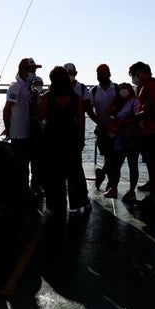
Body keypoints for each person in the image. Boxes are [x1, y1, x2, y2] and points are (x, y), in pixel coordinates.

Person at [36, 65, 90, 216]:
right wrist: (81, 139)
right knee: (75, 172)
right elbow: (80, 121)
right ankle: (80, 201)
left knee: (53, 173)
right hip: (71, 137)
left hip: (52, 137)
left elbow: (40, 116)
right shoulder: (75, 98)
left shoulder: (48, 97)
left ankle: (55, 205)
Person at [128, 60, 155, 208]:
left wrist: (137, 116)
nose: (133, 78)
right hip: (148, 130)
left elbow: (154, 107)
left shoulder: (152, 85)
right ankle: (154, 186)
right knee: (151, 161)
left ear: (140, 72)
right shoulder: (145, 86)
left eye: (133, 74)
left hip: (154, 131)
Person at [2, 57, 42, 196]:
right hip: (19, 135)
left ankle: (27, 191)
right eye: (32, 70)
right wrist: (7, 128)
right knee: (21, 167)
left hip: (27, 134)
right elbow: (7, 109)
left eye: (35, 70)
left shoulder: (26, 87)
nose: (34, 73)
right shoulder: (15, 86)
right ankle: (21, 193)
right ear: (23, 70)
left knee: (28, 165)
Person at [104, 81, 140, 201]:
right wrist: (115, 99)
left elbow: (137, 117)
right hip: (120, 137)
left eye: (125, 88)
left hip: (132, 138)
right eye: (120, 89)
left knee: (132, 164)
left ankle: (131, 190)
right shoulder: (119, 103)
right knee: (116, 164)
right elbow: (108, 110)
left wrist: (125, 121)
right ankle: (114, 187)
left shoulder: (134, 101)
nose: (122, 90)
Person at [62, 63, 92, 207]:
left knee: (76, 169)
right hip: (60, 136)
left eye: (71, 72)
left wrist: (81, 136)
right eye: (66, 72)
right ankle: (64, 200)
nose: (69, 74)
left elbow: (84, 113)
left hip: (74, 135)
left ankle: (81, 198)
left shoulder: (81, 88)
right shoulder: (55, 90)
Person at [87, 63, 119, 191]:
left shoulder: (117, 88)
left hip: (117, 129)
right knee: (108, 156)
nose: (101, 76)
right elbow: (89, 109)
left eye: (103, 73)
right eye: (98, 73)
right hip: (102, 129)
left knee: (116, 158)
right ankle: (110, 183)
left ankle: (108, 180)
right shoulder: (93, 91)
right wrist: (97, 121)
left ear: (109, 73)